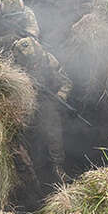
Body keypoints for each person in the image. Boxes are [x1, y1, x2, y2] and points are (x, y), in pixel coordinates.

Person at [12, 37, 74, 178]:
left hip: (47, 100)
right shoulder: (16, 67)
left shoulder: (48, 60)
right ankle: (30, 168)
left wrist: (61, 95)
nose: (33, 63)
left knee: (53, 131)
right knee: (26, 133)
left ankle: (57, 166)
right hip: (26, 103)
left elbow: (66, 82)